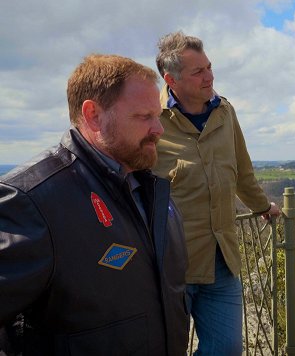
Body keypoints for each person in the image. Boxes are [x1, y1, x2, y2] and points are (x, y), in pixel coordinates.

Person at [0, 54, 189, 355]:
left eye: (158, 116)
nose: (159, 129)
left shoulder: (153, 190)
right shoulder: (32, 201)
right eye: (144, 117)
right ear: (94, 116)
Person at [153, 31, 281, 355]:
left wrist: (263, 205)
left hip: (221, 261)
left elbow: (243, 171)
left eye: (209, 67)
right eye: (199, 72)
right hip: (168, 268)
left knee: (226, 350)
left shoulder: (225, 111)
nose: (210, 76)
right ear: (171, 79)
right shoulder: (150, 121)